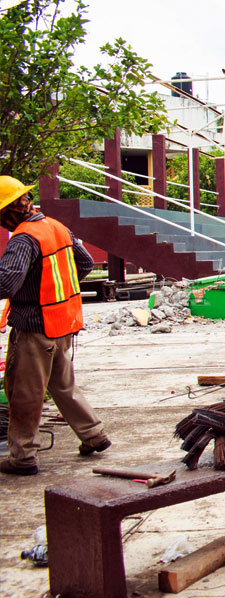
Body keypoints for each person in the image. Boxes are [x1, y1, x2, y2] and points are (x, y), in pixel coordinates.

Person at [0, 176, 108, 476]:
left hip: (36, 327)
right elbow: (84, 263)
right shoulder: (55, 226)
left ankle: (22, 457)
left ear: (8, 211)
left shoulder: (23, 239)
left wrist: (37, 291)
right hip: (63, 323)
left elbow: (8, 282)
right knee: (62, 385)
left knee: (25, 392)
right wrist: (54, 289)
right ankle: (94, 434)